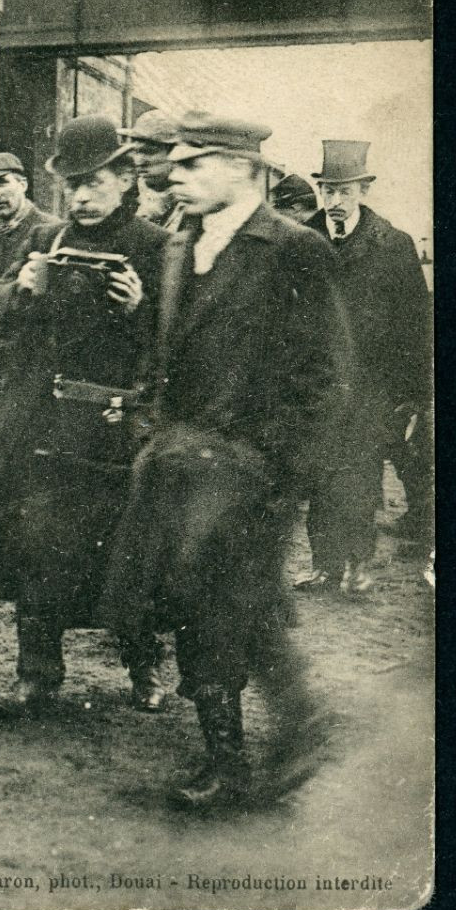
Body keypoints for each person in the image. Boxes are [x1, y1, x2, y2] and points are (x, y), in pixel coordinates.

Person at [100, 112, 344, 810]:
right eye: (172, 164)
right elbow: (162, 350)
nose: (173, 176)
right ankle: (275, 738)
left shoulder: (292, 248)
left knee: (220, 609)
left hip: (251, 471)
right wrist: (148, 419)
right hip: (180, 464)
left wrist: (276, 471)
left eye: (191, 163)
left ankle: (241, 761)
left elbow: (323, 375)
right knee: (208, 605)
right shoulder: (180, 244)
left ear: (240, 167)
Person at [0, 118, 170, 718]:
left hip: (118, 430)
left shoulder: (156, 247)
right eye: (71, 186)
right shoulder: (48, 241)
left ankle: (145, 669)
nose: (81, 197)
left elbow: (180, 345)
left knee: (128, 552)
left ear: (125, 178)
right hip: (47, 427)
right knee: (37, 547)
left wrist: (144, 307)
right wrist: (22, 288)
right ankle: (38, 673)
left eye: (92, 183)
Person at [297, 140, 433, 588]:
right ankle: (324, 565)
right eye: (327, 191)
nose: (334, 202)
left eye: (344, 191)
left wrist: (415, 396)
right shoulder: (302, 241)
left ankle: (356, 565)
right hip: (317, 382)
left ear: (363, 191)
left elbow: (415, 324)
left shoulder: (393, 245)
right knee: (321, 473)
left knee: (360, 475)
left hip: (373, 385)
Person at [118, 109, 182, 226]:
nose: (138, 161)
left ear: (175, 154)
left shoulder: (193, 200)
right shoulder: (125, 196)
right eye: (136, 151)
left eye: (149, 152)